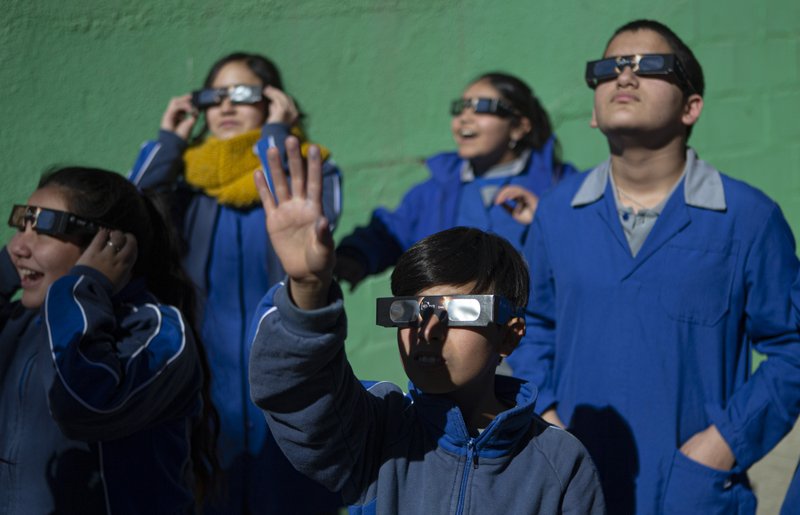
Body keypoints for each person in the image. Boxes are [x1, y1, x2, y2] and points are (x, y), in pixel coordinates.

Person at [516, 19, 800, 514]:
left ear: (692, 107)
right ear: (592, 112)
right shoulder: (556, 214)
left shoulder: (749, 218)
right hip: (574, 488)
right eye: (609, 68)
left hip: (690, 491)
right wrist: (547, 418)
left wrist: (722, 444)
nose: (625, 76)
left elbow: (792, 349)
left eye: (650, 66)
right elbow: (532, 327)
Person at [247, 138, 606, 514]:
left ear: (509, 334)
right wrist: (307, 288)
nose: (428, 329)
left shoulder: (561, 461)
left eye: (462, 311)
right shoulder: (374, 431)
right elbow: (295, 392)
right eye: (409, 311)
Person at [128, 52, 343, 513]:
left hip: (291, 376)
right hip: (203, 386)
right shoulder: (183, 183)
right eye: (213, 96)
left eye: (244, 94)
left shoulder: (310, 169)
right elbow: (130, 213)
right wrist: (168, 140)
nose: (226, 106)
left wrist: (276, 138)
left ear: (275, 102)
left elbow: (313, 225)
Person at [0, 167, 217, 514]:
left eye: (42, 230)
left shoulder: (153, 330)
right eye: (21, 226)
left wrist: (85, 285)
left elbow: (82, 404)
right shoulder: (25, 322)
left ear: (107, 245)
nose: (17, 247)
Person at [335, 72, 575, 288]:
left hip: (531, 334)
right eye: (461, 108)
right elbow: (392, 231)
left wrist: (546, 219)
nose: (464, 118)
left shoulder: (561, 185)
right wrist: (354, 255)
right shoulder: (435, 190)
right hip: (447, 329)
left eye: (482, 107)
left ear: (519, 127)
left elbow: (586, 255)